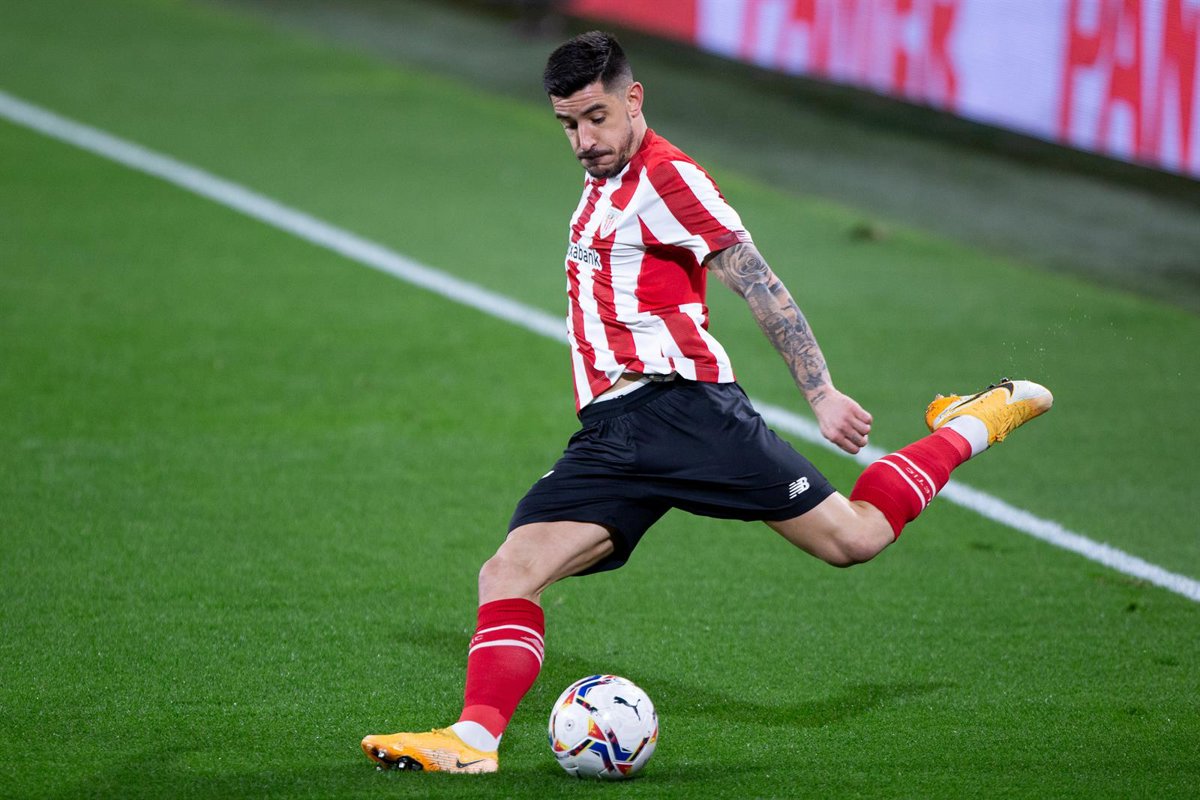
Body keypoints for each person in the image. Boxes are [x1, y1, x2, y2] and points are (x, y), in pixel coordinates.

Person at [360, 31, 1052, 774]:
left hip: (686, 412)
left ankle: (971, 422)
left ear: (634, 99)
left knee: (853, 540)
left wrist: (820, 393)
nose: (583, 140)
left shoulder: (670, 178)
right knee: (507, 572)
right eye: (568, 124)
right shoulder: (604, 181)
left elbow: (758, 282)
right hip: (612, 434)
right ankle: (473, 743)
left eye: (596, 117)